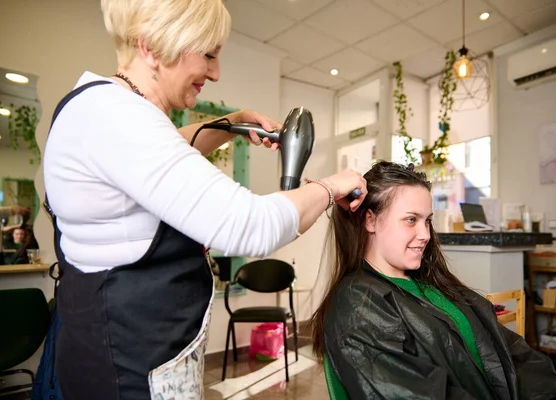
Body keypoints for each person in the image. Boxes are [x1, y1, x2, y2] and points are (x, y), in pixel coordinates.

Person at [42, 0, 366, 399]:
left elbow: (169, 150)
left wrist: (230, 124)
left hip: (134, 356)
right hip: (127, 372)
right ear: (152, 47)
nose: (215, 72)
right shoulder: (114, 116)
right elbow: (251, 225)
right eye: (209, 55)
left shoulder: (104, 108)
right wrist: (332, 186)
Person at [310, 161, 556, 400]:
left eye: (428, 221)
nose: (424, 234)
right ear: (370, 220)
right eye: (411, 219)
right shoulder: (359, 304)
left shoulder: (431, 282)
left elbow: (512, 353)